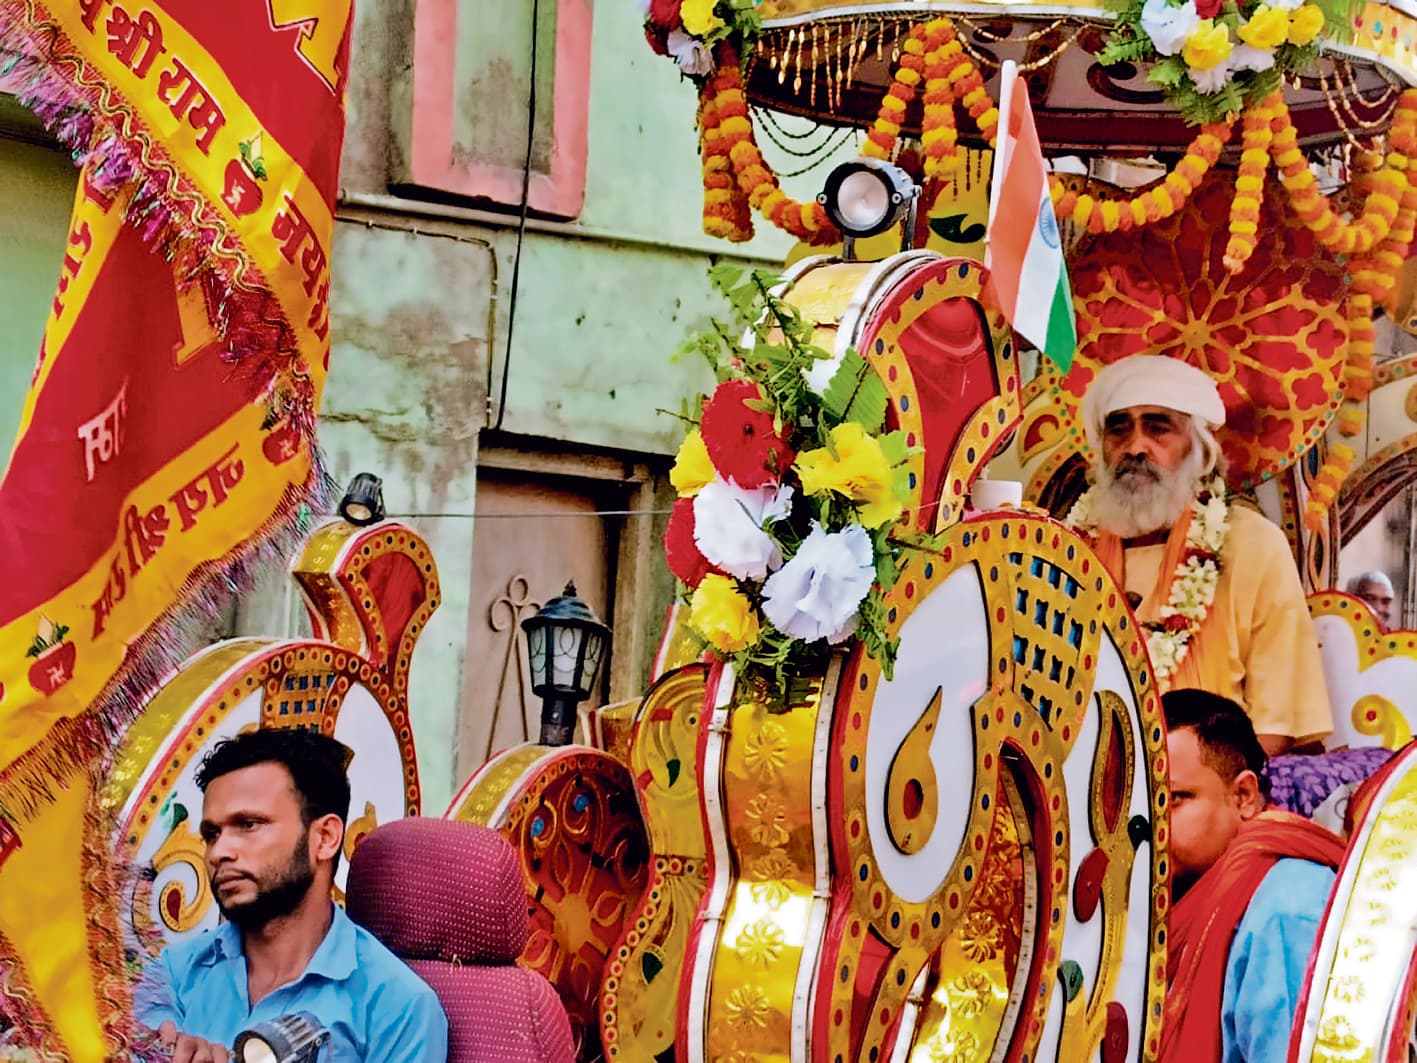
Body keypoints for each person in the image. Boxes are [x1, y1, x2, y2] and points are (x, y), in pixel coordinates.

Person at [134, 728, 449, 1062]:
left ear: (325, 838)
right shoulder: (175, 973)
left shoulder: (397, 1007)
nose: (218, 852)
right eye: (212, 834)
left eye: (249, 824)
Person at [1075, 355, 1333, 755]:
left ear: (1200, 450)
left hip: (1207, 796)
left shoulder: (1253, 546)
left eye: (1158, 429)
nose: (1135, 447)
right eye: (1118, 429)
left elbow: (1276, 731)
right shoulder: (1069, 547)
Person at [1160, 688, 1345, 1063]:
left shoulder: (1287, 911)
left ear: (1244, 795)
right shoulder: (1170, 893)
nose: (1150, 825)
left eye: (1173, 800)